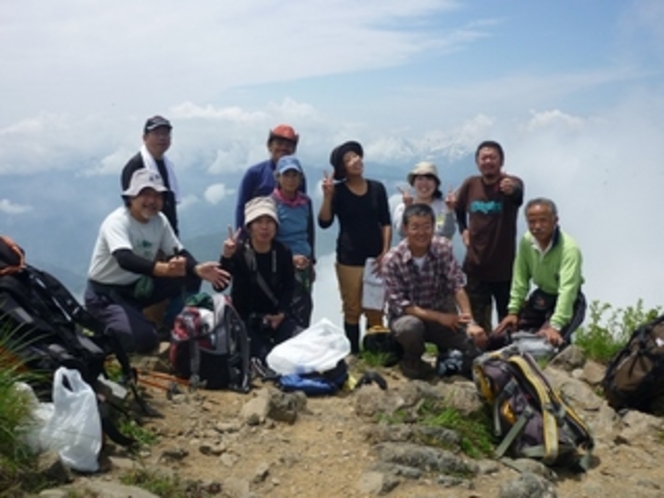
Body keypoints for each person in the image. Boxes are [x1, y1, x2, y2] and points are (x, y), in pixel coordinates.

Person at [85, 169, 229, 353]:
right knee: (144, 340)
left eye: (157, 196)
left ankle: (170, 326)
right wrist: (162, 268)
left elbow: (178, 251)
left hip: (136, 289)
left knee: (190, 276)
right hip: (105, 295)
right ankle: (108, 325)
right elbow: (124, 258)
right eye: (145, 194)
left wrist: (197, 268)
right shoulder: (117, 221)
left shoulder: (159, 221)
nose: (152, 201)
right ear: (130, 197)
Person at [383, 203, 486, 379]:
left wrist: (470, 322)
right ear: (405, 228)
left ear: (433, 227)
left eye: (426, 227)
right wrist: (439, 317)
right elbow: (402, 305)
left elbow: (457, 285)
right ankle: (412, 359)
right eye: (415, 227)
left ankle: (461, 371)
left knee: (475, 343)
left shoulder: (443, 248)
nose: (421, 233)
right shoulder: (393, 259)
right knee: (410, 328)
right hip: (410, 318)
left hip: (443, 317)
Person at [318, 140, 392, 354]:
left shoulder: (377, 188)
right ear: (342, 168)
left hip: (375, 257)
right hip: (349, 258)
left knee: (375, 309)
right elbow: (324, 221)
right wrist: (327, 196)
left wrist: (385, 251)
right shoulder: (338, 191)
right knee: (352, 309)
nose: (355, 160)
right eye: (348, 159)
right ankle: (354, 353)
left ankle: (374, 353)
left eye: (356, 156)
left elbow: (385, 222)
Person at [492, 198, 586, 347]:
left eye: (543, 221)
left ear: (555, 220)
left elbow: (568, 290)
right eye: (532, 221)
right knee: (502, 338)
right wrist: (513, 311)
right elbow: (520, 278)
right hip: (542, 296)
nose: (537, 226)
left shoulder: (569, 249)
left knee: (546, 342)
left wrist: (555, 326)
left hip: (569, 301)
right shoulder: (527, 241)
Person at [218, 196, 300, 363]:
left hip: (277, 319)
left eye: (269, 221)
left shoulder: (283, 252)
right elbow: (220, 285)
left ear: (276, 226)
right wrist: (226, 257)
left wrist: (282, 314)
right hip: (246, 321)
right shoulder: (239, 252)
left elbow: (289, 287)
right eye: (258, 222)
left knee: (302, 347)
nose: (264, 227)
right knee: (269, 358)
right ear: (249, 227)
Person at [455, 140, 524, 334]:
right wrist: (463, 230)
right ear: (477, 162)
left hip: (504, 269)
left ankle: (505, 360)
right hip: (476, 267)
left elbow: (517, 196)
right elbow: (459, 209)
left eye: (492, 157)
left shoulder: (511, 183)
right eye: (483, 158)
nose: (488, 161)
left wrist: (512, 190)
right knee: (478, 326)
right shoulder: (470, 184)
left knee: (507, 324)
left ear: (501, 161)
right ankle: (480, 359)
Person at [235, 124, 307, 231]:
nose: (283, 148)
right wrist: (240, 238)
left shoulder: (298, 176)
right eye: (279, 143)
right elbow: (241, 207)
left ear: (293, 150)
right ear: (269, 146)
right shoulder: (254, 173)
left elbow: (302, 210)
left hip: (289, 238)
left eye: (288, 145)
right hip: (259, 238)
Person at [271, 155, 315, 328]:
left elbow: (310, 233)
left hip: (305, 264)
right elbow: (270, 239)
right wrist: (289, 258)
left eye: (294, 175)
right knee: (288, 309)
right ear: (278, 177)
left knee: (305, 307)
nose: (290, 180)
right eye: (286, 175)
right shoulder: (271, 203)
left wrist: (312, 261)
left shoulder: (306, 202)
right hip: (282, 266)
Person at [121, 116, 181, 235]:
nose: (162, 138)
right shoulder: (135, 165)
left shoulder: (167, 165)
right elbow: (132, 206)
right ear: (145, 137)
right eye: (157, 134)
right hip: (145, 235)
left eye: (165, 134)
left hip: (167, 233)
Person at [393, 161, 456, 240]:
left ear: (436, 184)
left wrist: (449, 211)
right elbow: (402, 232)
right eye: (420, 179)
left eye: (429, 179)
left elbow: (444, 232)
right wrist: (408, 208)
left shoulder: (442, 207)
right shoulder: (402, 207)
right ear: (413, 183)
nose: (424, 183)